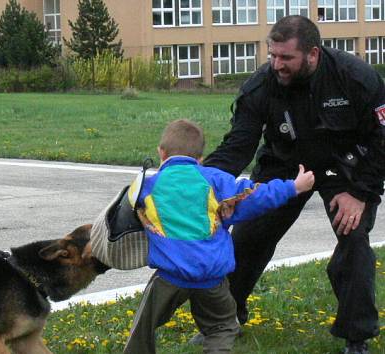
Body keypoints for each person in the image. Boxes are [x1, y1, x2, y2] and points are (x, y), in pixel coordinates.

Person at [202, 15, 385, 354]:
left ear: (312, 54)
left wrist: (361, 193)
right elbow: (238, 145)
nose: (276, 64)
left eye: (286, 58)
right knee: (248, 234)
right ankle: (227, 318)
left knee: (354, 241)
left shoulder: (355, 78)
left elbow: (382, 140)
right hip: (285, 166)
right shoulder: (261, 85)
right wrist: (199, 179)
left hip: (343, 170)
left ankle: (356, 338)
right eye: (272, 55)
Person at [123, 119, 315, 354]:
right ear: (200, 159)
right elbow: (255, 196)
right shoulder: (215, 181)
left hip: (169, 277)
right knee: (223, 326)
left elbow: (120, 218)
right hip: (212, 277)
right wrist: (293, 187)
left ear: (161, 153)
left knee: (143, 328)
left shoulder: (146, 187)